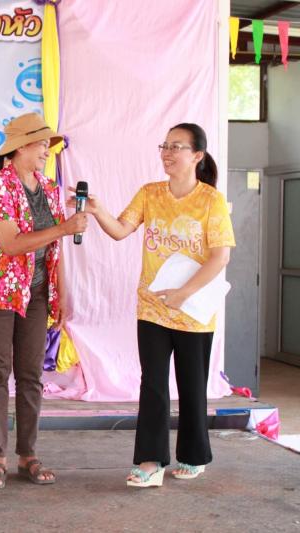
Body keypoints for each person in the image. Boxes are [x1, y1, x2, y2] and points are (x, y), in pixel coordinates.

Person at [72, 123, 235, 487]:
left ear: (197, 155)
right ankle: (151, 461)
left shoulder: (211, 200)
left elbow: (220, 257)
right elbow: (120, 230)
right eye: (165, 145)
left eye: (177, 146)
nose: (167, 152)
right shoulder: (150, 193)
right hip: (151, 308)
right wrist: (97, 210)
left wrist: (183, 293)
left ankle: (194, 456)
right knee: (153, 385)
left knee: (192, 386)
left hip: (193, 312)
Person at [0, 113, 88, 489]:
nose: (46, 151)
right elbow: (10, 244)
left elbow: (55, 248)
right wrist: (64, 228)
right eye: (41, 144)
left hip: (36, 291)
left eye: (48, 145)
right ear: (20, 147)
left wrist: (62, 291)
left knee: (31, 374)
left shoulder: (49, 188)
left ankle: (27, 455)